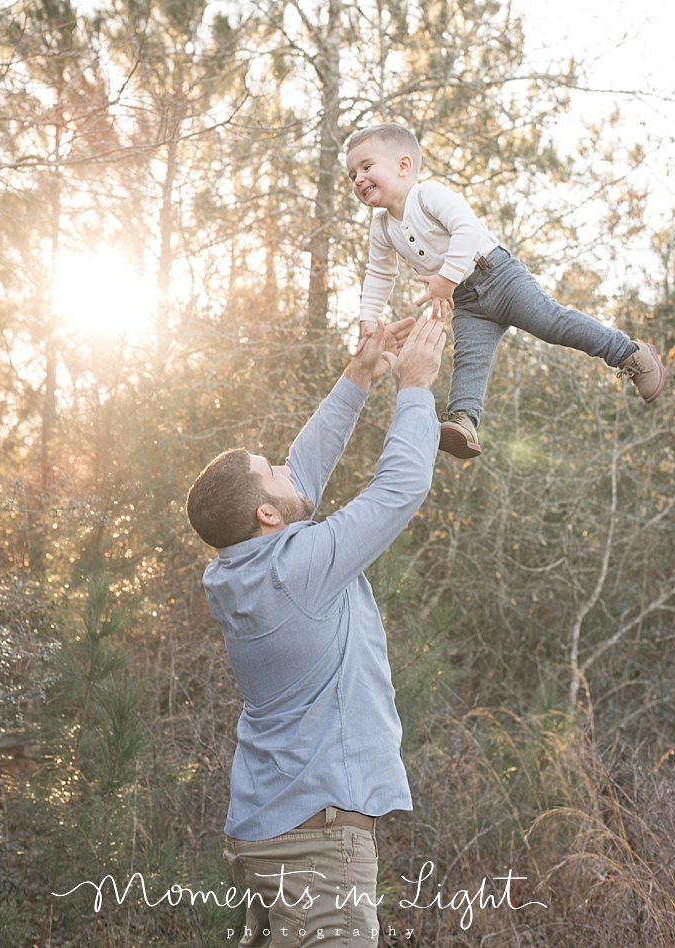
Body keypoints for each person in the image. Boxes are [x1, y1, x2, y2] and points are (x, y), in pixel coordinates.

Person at [186, 316, 446, 947]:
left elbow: (298, 478)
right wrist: (413, 387)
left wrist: (360, 375)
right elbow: (401, 486)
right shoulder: (298, 570)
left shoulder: (237, 571)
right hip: (317, 848)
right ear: (266, 514)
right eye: (268, 468)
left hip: (268, 833)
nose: (283, 465)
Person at [345, 122, 666, 460]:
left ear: (403, 165)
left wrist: (446, 280)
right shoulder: (381, 227)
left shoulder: (429, 195)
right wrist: (369, 318)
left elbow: (466, 228)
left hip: (498, 276)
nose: (359, 179)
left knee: (551, 322)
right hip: (467, 303)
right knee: (469, 359)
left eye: (366, 167)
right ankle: (463, 421)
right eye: (352, 175)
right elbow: (380, 272)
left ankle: (630, 354)